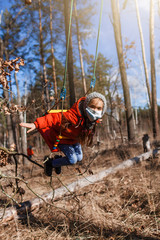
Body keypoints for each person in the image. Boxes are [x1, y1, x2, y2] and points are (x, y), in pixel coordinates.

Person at [20, 92, 107, 176]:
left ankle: (58, 161)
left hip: (74, 140)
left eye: (99, 108)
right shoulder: (71, 116)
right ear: (85, 106)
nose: (95, 111)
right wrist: (36, 124)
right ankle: (50, 163)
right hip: (63, 139)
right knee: (73, 160)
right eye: (92, 107)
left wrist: (95, 122)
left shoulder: (91, 121)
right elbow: (52, 118)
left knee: (79, 158)